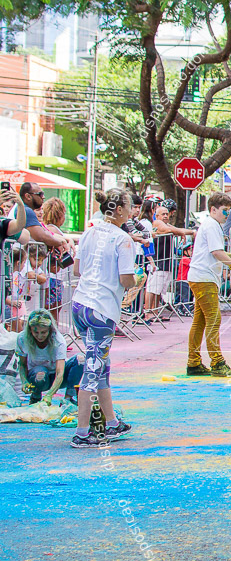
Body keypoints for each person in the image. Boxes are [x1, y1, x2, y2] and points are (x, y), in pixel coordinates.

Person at [70, 187, 138, 448]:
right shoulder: (123, 240)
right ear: (119, 210)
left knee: (100, 365)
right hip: (101, 308)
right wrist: (136, 279)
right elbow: (125, 278)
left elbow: (77, 268)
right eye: (129, 207)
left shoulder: (89, 231)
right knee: (93, 368)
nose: (132, 212)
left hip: (81, 304)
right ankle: (83, 431)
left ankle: (111, 423)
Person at [186, 191, 231, 377]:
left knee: (200, 321)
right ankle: (217, 362)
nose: (228, 215)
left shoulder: (213, 225)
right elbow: (217, 252)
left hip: (203, 276)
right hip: (204, 278)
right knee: (213, 318)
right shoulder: (211, 226)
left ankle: (194, 362)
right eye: (225, 211)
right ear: (213, 209)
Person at [16, 309, 82, 404]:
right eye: (36, 332)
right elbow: (22, 364)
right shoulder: (22, 338)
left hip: (57, 377)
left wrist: (49, 395)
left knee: (81, 359)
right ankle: (36, 396)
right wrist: (24, 382)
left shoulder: (58, 340)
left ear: (50, 330)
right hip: (37, 377)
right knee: (40, 373)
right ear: (30, 330)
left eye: (43, 332)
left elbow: (60, 373)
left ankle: (68, 398)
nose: (39, 336)